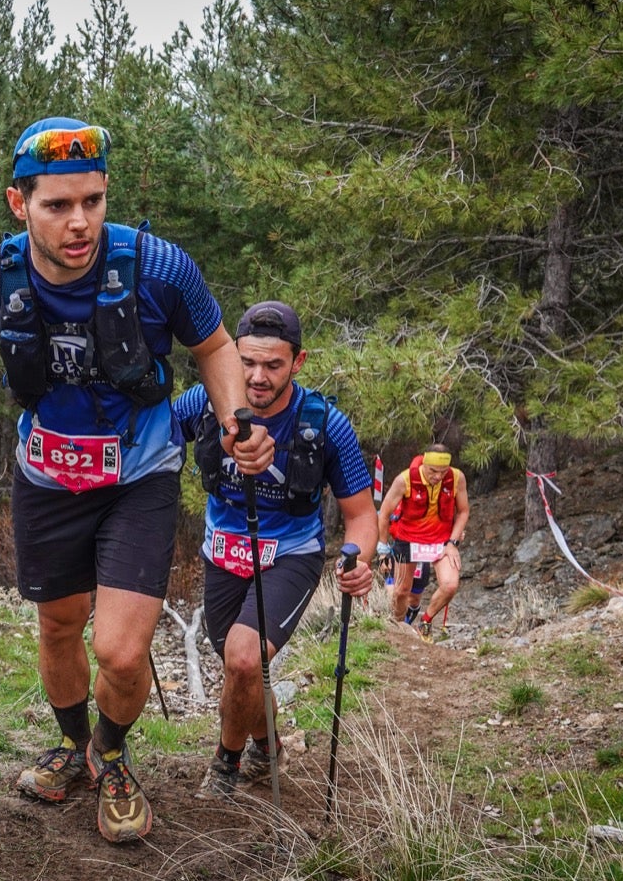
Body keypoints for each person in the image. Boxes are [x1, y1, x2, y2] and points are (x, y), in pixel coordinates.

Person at [0, 117, 263, 843]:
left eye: (93, 202)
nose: (80, 223)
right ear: (19, 204)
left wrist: (234, 422)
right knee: (59, 625)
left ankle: (113, 754)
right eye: (58, 206)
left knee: (123, 652)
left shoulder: (158, 266)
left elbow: (216, 345)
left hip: (139, 472)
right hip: (47, 474)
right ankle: (74, 747)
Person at [173, 302, 376, 798]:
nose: (257, 377)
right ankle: (268, 748)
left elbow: (361, 515)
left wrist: (359, 557)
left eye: (273, 365)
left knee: (244, 660)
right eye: (246, 362)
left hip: (290, 554)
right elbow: (148, 442)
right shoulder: (203, 402)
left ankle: (226, 761)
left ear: (298, 362)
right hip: (223, 552)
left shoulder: (325, 423)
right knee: (241, 671)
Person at [378, 444, 471, 640]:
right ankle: (398, 630)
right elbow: (384, 513)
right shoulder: (405, 480)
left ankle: (426, 622)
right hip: (408, 539)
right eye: (433, 471)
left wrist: (453, 542)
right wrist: (383, 549)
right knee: (401, 591)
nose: (438, 476)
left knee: (450, 584)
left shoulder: (456, 478)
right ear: (424, 464)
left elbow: (463, 511)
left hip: (441, 541)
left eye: (443, 472)